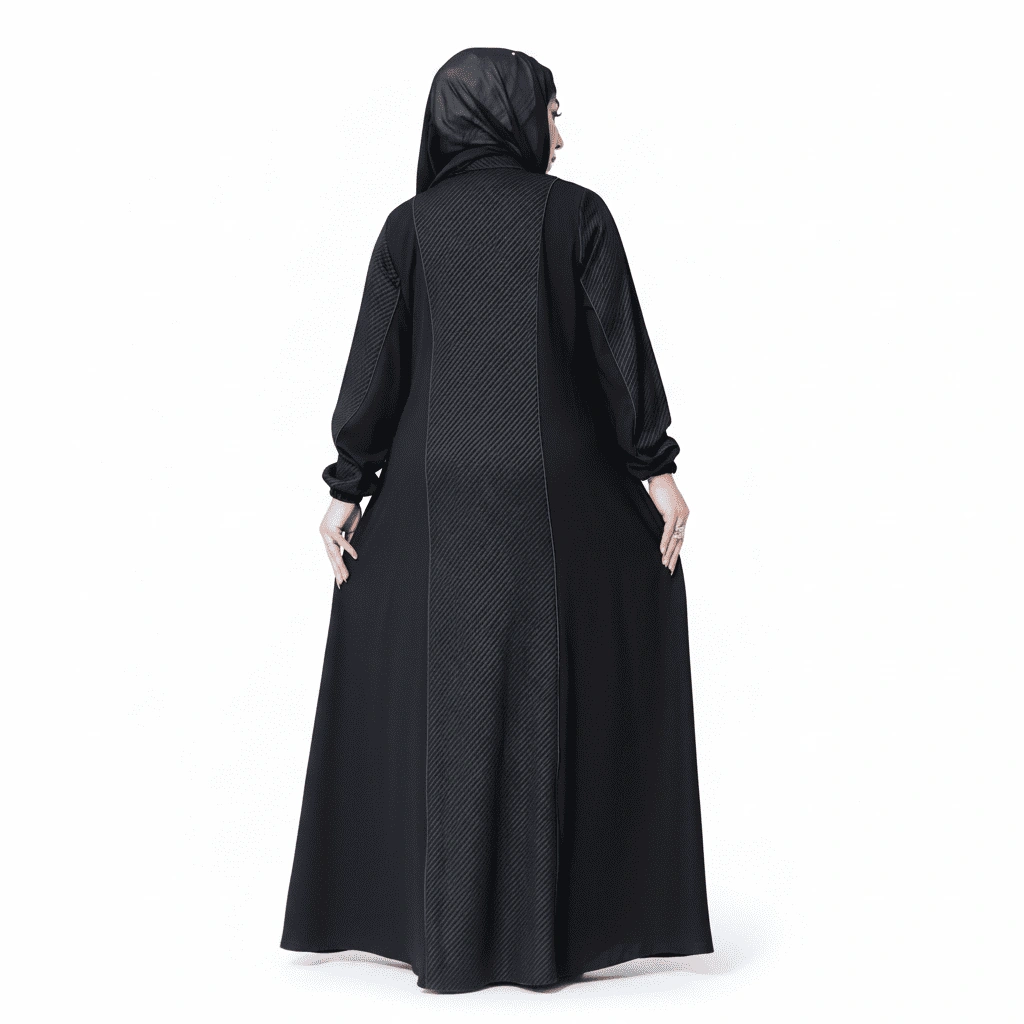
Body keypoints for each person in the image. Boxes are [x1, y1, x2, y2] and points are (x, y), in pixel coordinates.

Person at [280, 47, 713, 994]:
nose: (561, 132)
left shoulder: (409, 229)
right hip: (561, 496)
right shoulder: (578, 217)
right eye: (553, 111)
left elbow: (375, 367)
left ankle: (438, 927)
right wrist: (657, 471)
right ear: (511, 116)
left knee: (436, 689)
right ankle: (550, 930)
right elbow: (619, 355)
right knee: (558, 681)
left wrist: (348, 487)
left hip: (430, 497)